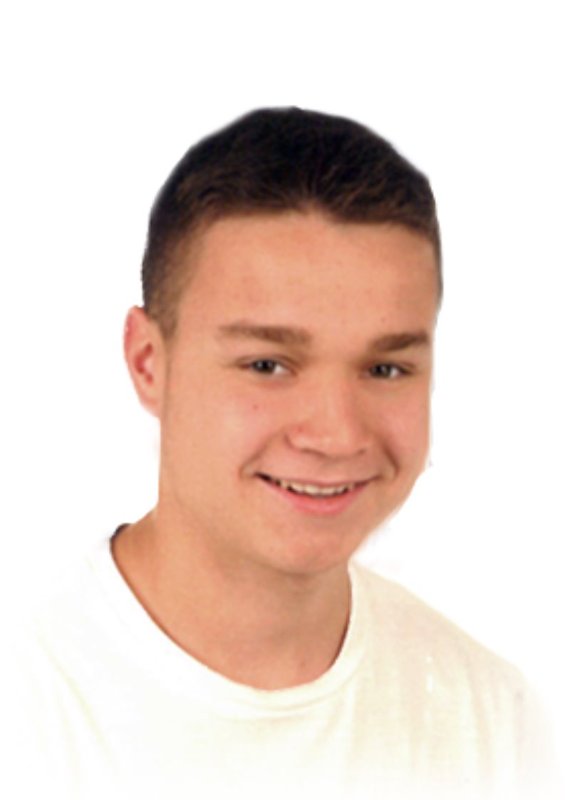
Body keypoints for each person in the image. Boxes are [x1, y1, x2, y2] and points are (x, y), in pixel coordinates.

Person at [2, 107, 557, 799]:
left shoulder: (491, 720)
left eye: (385, 369)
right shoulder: (24, 700)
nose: (337, 435)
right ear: (148, 363)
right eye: (266, 365)